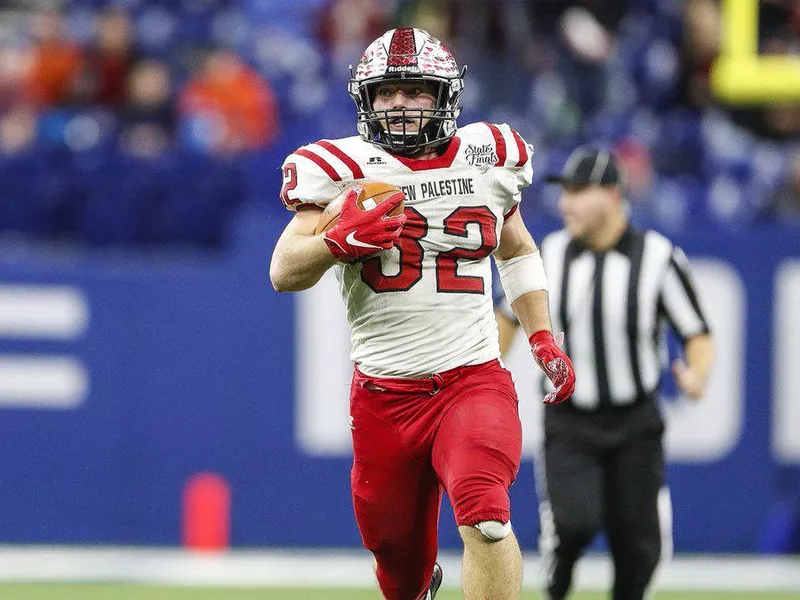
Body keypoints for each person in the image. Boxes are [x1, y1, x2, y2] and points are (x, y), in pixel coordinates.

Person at [270, 27, 575, 600]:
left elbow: (516, 248)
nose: (400, 105)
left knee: (486, 514)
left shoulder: (490, 157)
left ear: (445, 97)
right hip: (384, 395)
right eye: (387, 92)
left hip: (470, 379)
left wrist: (541, 338)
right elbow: (284, 270)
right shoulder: (343, 169)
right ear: (367, 100)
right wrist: (335, 242)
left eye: (415, 91)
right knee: (395, 559)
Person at [496, 146, 715, 600]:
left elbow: (697, 332)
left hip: (636, 422)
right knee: (574, 522)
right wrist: (489, 375)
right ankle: (556, 577)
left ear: (613, 195)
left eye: (579, 191)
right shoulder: (548, 255)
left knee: (638, 551)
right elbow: (506, 318)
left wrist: (697, 374)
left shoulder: (658, 257)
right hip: (570, 422)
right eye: (565, 192)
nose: (566, 204)